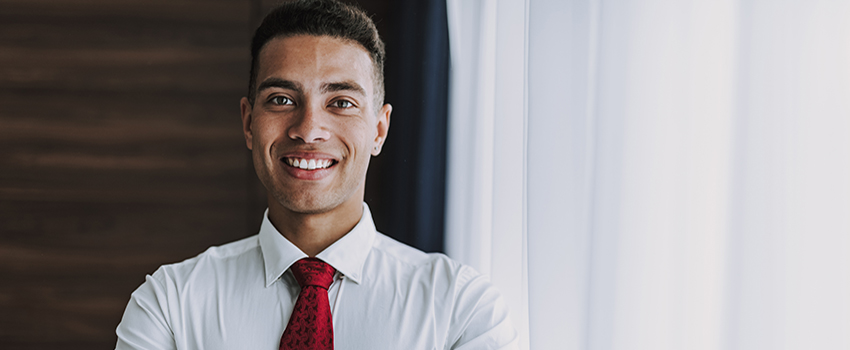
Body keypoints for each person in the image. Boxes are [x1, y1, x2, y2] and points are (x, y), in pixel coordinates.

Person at [114, 0, 518, 349]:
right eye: (282, 99)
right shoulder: (170, 303)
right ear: (248, 122)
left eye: (340, 102)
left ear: (379, 129)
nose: (308, 129)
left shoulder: (462, 309)